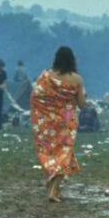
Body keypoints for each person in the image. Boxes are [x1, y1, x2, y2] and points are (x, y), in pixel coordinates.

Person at [30, 46, 85, 203]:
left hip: (46, 122)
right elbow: (81, 104)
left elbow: (35, 96)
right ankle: (53, 191)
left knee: (49, 152)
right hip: (66, 122)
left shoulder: (46, 76)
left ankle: (53, 185)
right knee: (64, 154)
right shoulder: (77, 79)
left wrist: (45, 113)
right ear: (72, 60)